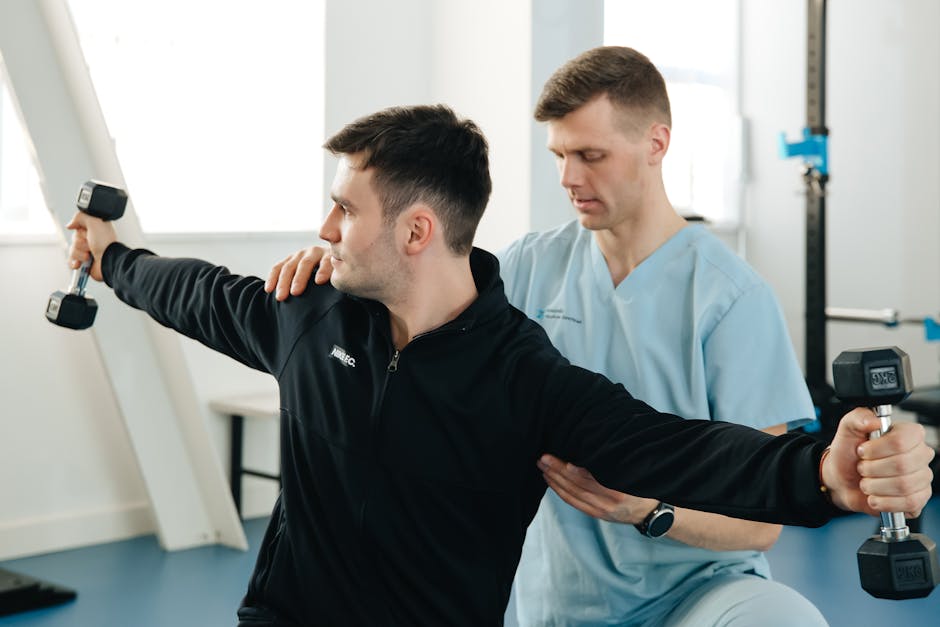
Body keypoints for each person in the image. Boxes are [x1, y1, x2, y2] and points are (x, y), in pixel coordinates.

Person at [68, 104, 934, 627]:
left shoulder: (524, 376)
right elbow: (195, 293)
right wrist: (110, 258)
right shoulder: (309, 313)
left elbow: (677, 448)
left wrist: (826, 472)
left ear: (416, 231)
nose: (324, 230)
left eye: (342, 209)